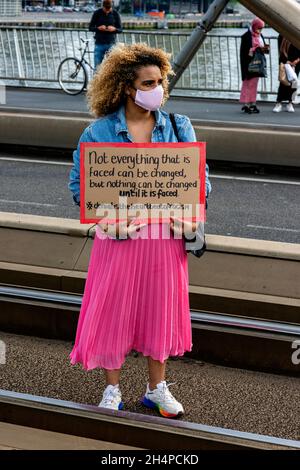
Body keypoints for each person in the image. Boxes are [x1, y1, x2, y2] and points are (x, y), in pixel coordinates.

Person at [68, 43, 211, 418]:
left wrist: (192, 217)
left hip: (165, 238)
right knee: (113, 311)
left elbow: (201, 181)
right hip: (118, 238)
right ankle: (112, 389)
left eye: (161, 81)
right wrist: (105, 221)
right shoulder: (97, 133)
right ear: (127, 88)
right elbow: (78, 186)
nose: (158, 88)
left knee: (159, 312)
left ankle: (156, 389)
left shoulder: (179, 126)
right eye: (149, 82)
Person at [239, 17, 269, 114]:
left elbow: (264, 51)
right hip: (248, 63)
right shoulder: (246, 36)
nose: (260, 30)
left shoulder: (260, 36)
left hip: (258, 64)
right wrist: (253, 50)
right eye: (258, 28)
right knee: (247, 83)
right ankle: (246, 103)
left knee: (254, 84)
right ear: (254, 26)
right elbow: (243, 53)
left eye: (261, 28)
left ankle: (252, 102)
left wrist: (265, 49)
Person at [88, 0, 122, 70]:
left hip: (111, 44)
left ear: (111, 7)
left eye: (108, 9)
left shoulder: (115, 14)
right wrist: (98, 28)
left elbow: (120, 29)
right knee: (97, 69)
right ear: (102, 6)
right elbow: (90, 28)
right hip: (99, 44)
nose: (107, 11)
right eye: (105, 9)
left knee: (112, 69)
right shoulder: (97, 13)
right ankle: (97, 81)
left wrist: (114, 29)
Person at [273, 35, 300, 113]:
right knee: (283, 82)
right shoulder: (282, 35)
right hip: (285, 62)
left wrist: (297, 61)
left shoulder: (296, 33)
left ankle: (290, 103)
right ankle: (278, 103)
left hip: (296, 63)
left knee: (294, 83)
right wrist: (286, 61)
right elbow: (280, 51)